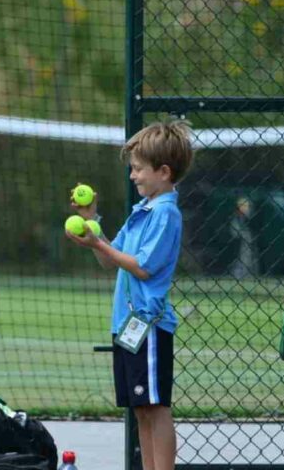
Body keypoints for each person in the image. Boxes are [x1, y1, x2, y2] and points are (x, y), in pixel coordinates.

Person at [66, 121, 194, 470]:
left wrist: (96, 242)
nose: (133, 176)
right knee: (141, 408)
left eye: (138, 169)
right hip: (127, 325)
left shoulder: (165, 213)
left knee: (156, 406)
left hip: (148, 325)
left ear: (164, 172)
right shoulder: (142, 211)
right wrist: (92, 226)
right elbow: (111, 259)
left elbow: (141, 267)